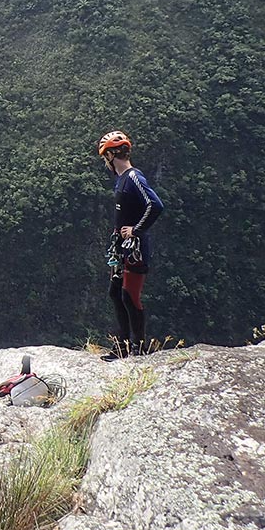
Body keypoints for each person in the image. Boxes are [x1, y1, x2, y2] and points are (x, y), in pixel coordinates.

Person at [97, 130, 164, 360]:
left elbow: (155, 205)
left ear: (111, 155)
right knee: (116, 292)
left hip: (135, 248)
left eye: (105, 156)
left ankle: (139, 347)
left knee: (129, 295)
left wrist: (135, 230)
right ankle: (123, 345)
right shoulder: (123, 179)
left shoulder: (133, 177)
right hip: (123, 247)